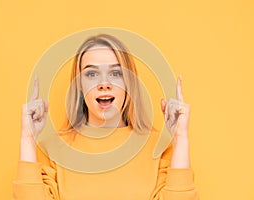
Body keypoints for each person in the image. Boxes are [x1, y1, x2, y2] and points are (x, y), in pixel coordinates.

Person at [13, 34, 199, 200]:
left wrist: (181, 138)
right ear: (79, 85)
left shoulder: (158, 147)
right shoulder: (51, 148)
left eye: (116, 73)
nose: (104, 84)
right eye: (92, 73)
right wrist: (27, 138)